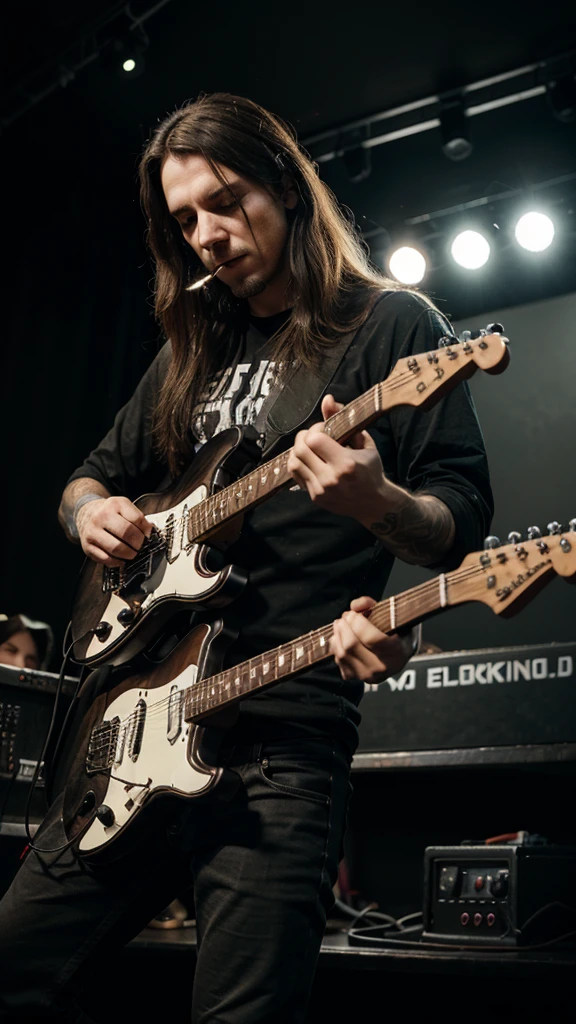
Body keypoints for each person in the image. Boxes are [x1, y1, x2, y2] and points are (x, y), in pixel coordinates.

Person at [0, 93, 492, 1023]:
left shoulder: (390, 328)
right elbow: (87, 478)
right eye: (185, 220)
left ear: (287, 188)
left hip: (280, 745)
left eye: (225, 202)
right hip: (135, 729)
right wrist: (93, 515)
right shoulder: (194, 345)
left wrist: (375, 501)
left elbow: (460, 517)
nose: (208, 235)